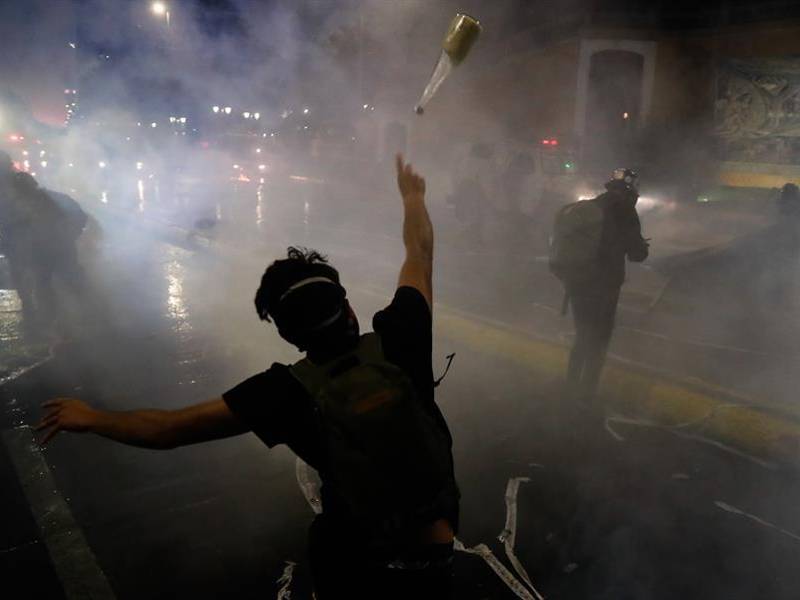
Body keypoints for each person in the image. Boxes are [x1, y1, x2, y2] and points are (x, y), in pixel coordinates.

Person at [37, 155, 460, 600]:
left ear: (287, 334)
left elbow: (168, 429)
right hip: (435, 550)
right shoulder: (402, 336)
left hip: (359, 558)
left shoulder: (284, 392)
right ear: (349, 308)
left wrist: (92, 417)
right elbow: (420, 251)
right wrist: (413, 197)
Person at [551, 168, 649, 404]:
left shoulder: (591, 206)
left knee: (582, 335)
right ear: (632, 191)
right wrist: (641, 246)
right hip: (604, 285)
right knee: (600, 338)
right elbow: (637, 254)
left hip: (576, 281)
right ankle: (587, 392)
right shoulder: (625, 211)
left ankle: (570, 385)